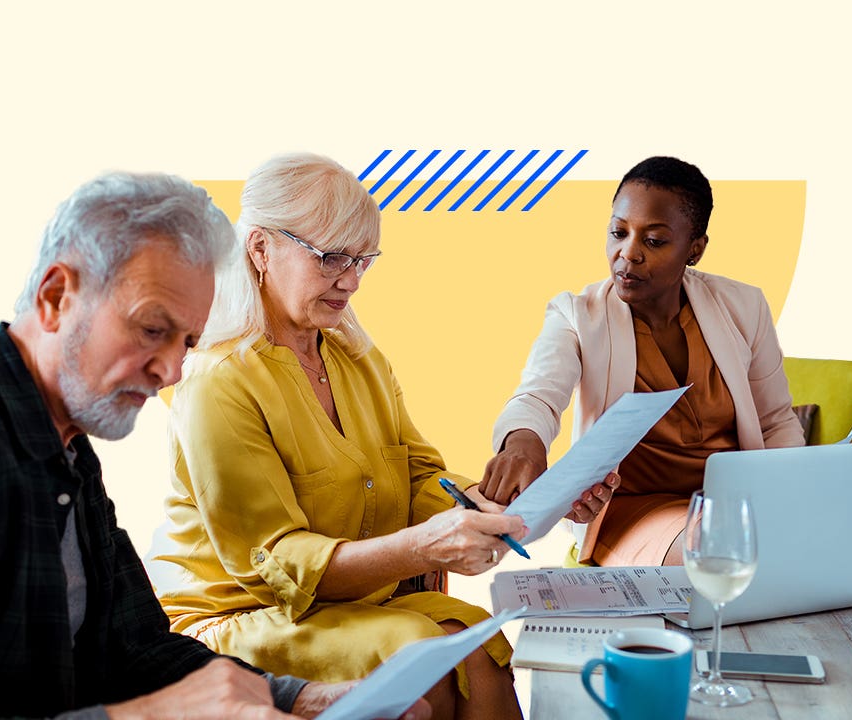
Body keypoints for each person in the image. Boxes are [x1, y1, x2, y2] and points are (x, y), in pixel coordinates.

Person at [0, 172, 426, 720]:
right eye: (152, 330)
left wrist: (294, 697)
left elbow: (137, 648)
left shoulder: (65, 447)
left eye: (186, 342)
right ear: (56, 297)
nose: (172, 372)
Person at [145, 153, 613, 720]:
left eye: (364, 259)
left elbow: (421, 478)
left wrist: (524, 505)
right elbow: (274, 564)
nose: (352, 280)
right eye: (332, 258)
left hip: (349, 604)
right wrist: (424, 546)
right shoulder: (219, 382)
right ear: (261, 248)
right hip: (241, 616)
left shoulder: (355, 358)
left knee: (480, 642)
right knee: (422, 656)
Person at [482, 156, 805, 567]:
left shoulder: (743, 306)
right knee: (719, 552)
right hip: (632, 511)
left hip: (735, 505)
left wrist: (791, 497)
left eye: (653, 241)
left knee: (810, 541)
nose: (628, 254)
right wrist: (523, 443)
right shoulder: (577, 316)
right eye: (618, 233)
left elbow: (775, 422)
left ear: (695, 249)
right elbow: (538, 394)